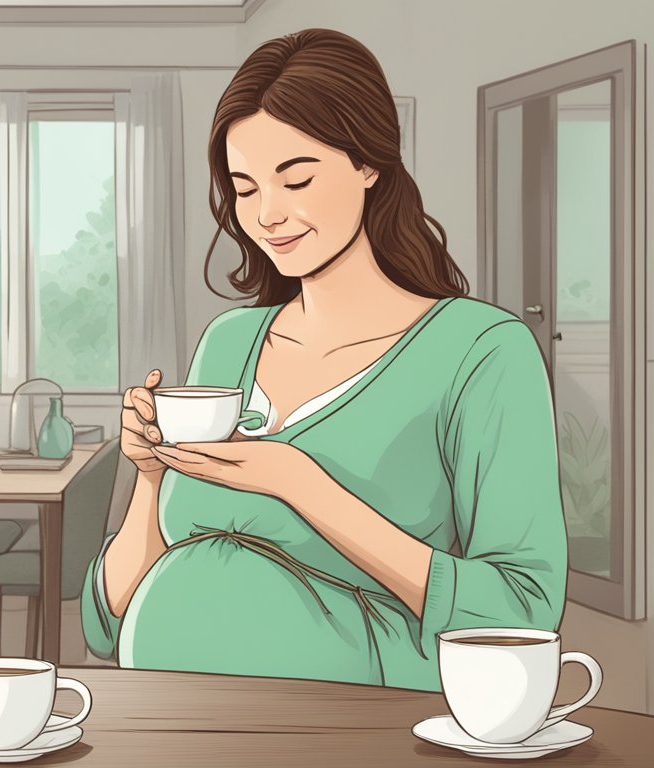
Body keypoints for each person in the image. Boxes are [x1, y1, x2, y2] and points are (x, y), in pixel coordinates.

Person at [81, 28, 567, 691]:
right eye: (245, 188)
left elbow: (523, 611)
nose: (268, 215)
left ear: (369, 164)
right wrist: (148, 476)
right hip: (178, 725)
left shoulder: (481, 351)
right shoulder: (229, 342)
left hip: (357, 732)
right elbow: (107, 623)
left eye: (297, 178)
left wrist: (301, 484)